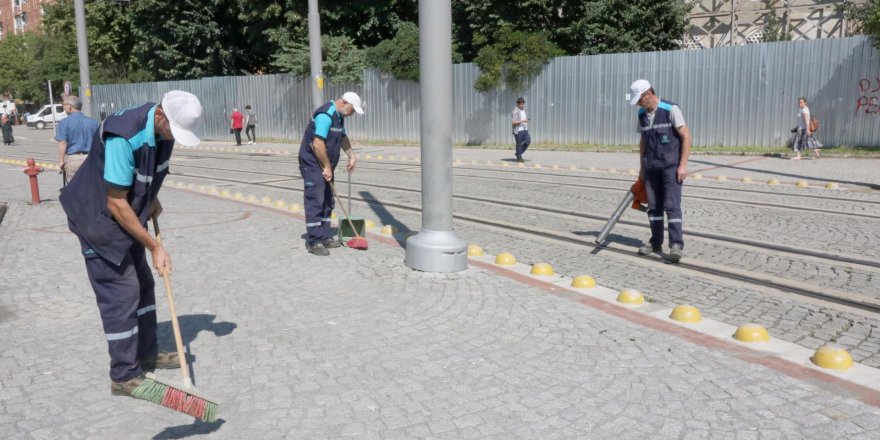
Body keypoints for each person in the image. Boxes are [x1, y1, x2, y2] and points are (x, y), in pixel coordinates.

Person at [58, 90, 203, 398]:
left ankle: (148, 352)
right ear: (161, 116)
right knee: (121, 293)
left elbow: (144, 170)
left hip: (129, 213)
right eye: (172, 131)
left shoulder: (162, 132)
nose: (173, 138)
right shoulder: (123, 136)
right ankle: (123, 375)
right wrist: (154, 246)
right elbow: (116, 203)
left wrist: (151, 197)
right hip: (98, 218)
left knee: (144, 285)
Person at [629, 79, 691, 262]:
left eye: (639, 100)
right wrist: (641, 168)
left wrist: (683, 165)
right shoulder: (641, 113)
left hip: (671, 167)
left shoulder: (671, 109)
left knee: (672, 206)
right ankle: (655, 242)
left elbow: (686, 136)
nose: (638, 104)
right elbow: (643, 142)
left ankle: (676, 245)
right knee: (654, 208)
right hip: (651, 168)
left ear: (648, 94)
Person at [298, 92, 364, 256]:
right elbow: (318, 143)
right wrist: (327, 167)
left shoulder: (339, 116)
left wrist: (351, 155)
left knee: (328, 199)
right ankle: (313, 241)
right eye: (352, 110)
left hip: (326, 164)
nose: (352, 114)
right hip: (313, 164)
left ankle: (324, 235)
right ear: (343, 103)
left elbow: (342, 137)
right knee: (316, 199)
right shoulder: (325, 115)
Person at [56, 95, 100, 182]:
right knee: (90, 185)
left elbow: (63, 143)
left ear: (70, 107)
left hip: (74, 159)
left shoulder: (65, 122)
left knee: (74, 187)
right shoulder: (93, 122)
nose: (64, 107)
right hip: (91, 159)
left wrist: (61, 161)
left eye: (64, 105)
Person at [511, 97, 530, 163]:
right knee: (519, 144)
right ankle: (519, 158)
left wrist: (525, 121)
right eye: (521, 104)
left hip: (525, 129)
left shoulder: (523, 110)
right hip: (518, 130)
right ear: (518, 104)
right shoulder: (515, 111)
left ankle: (518, 153)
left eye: (523, 104)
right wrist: (523, 121)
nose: (523, 105)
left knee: (528, 141)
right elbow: (513, 122)